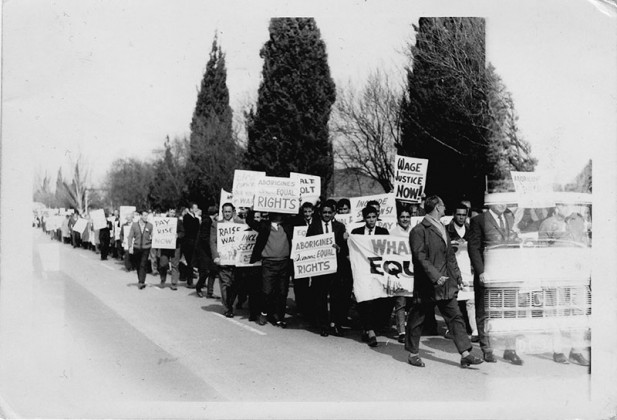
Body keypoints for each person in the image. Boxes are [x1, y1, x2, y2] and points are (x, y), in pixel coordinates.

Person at [406, 195, 483, 368]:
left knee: (455, 316)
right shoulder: (419, 230)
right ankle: (413, 353)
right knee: (417, 319)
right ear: (436, 207)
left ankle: (465, 353)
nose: (444, 207)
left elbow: (450, 256)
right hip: (428, 285)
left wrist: (457, 276)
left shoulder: (442, 227)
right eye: (442, 205)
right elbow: (420, 257)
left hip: (446, 284)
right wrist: (435, 276)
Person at [468, 201, 523, 365]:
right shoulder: (479, 220)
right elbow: (474, 248)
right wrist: (481, 271)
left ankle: (510, 349)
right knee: (485, 312)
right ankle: (487, 349)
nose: (502, 204)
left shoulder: (510, 218)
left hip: (507, 274)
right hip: (488, 274)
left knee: (510, 311)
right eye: (498, 200)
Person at [306, 200, 349, 337]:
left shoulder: (340, 227)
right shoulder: (314, 226)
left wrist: (339, 248)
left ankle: (336, 324)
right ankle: (323, 325)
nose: (327, 214)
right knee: (321, 297)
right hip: (320, 268)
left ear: (334, 213)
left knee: (336, 298)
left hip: (336, 268)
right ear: (320, 213)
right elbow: (308, 245)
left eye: (329, 212)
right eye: (324, 212)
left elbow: (345, 248)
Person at [246, 210, 294, 328]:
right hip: (269, 263)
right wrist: (252, 209)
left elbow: (300, 217)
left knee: (282, 292)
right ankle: (264, 313)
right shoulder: (264, 226)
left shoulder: (287, 225)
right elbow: (250, 221)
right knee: (267, 291)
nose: (278, 215)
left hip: (284, 263)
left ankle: (279, 317)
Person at [350, 206, 389, 347]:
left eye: (373, 217)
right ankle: (370, 330)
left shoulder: (383, 232)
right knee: (365, 299)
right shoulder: (357, 233)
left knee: (376, 299)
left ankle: (368, 328)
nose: (371, 220)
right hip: (362, 271)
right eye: (368, 217)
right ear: (364, 218)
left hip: (378, 271)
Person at [445, 202, 479, 342]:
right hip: (452, 269)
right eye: (458, 215)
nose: (461, 218)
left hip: (467, 268)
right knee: (453, 300)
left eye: (463, 215)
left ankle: (475, 330)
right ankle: (452, 328)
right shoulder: (446, 229)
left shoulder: (470, 229)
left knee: (471, 300)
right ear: (454, 215)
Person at [210, 203, 244, 317]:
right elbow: (212, 241)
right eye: (225, 212)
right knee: (225, 284)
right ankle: (227, 308)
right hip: (223, 260)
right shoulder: (216, 225)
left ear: (233, 212)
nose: (227, 214)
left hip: (236, 260)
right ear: (222, 212)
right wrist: (215, 256)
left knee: (234, 285)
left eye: (229, 211)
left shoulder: (240, 224)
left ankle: (230, 303)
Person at [390, 206, 413, 343]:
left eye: (407, 217)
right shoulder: (392, 234)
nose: (405, 219)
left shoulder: (415, 232)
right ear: (398, 219)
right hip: (399, 272)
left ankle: (410, 328)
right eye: (402, 217)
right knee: (400, 301)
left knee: (412, 302)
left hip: (412, 272)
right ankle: (401, 332)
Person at [293, 201, 319, 318]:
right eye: (305, 212)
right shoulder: (297, 222)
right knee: (300, 283)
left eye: (309, 211)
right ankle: (301, 306)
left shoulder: (317, 222)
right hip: (300, 255)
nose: (307, 214)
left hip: (314, 255)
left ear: (313, 211)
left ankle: (311, 306)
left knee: (313, 282)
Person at [127, 210, 154, 290]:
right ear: (141, 216)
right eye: (145, 215)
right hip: (137, 248)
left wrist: (153, 241)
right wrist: (130, 246)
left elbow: (153, 236)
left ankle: (141, 281)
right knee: (138, 265)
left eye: (147, 216)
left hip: (146, 247)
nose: (146, 217)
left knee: (143, 264)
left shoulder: (150, 225)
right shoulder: (134, 225)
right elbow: (130, 236)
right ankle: (140, 279)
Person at [157, 209, 180, 290]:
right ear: (168, 212)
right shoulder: (162, 221)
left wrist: (178, 235)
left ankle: (174, 283)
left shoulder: (178, 221)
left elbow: (183, 232)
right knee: (163, 264)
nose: (172, 214)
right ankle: (163, 279)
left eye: (174, 213)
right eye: (171, 212)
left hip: (175, 247)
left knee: (175, 265)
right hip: (165, 246)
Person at [182, 203, 201, 288]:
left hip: (194, 242)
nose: (196, 210)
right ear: (191, 209)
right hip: (188, 243)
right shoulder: (187, 217)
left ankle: (191, 279)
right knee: (189, 262)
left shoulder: (195, 218)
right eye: (195, 208)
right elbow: (190, 228)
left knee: (192, 262)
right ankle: (189, 281)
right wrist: (197, 219)